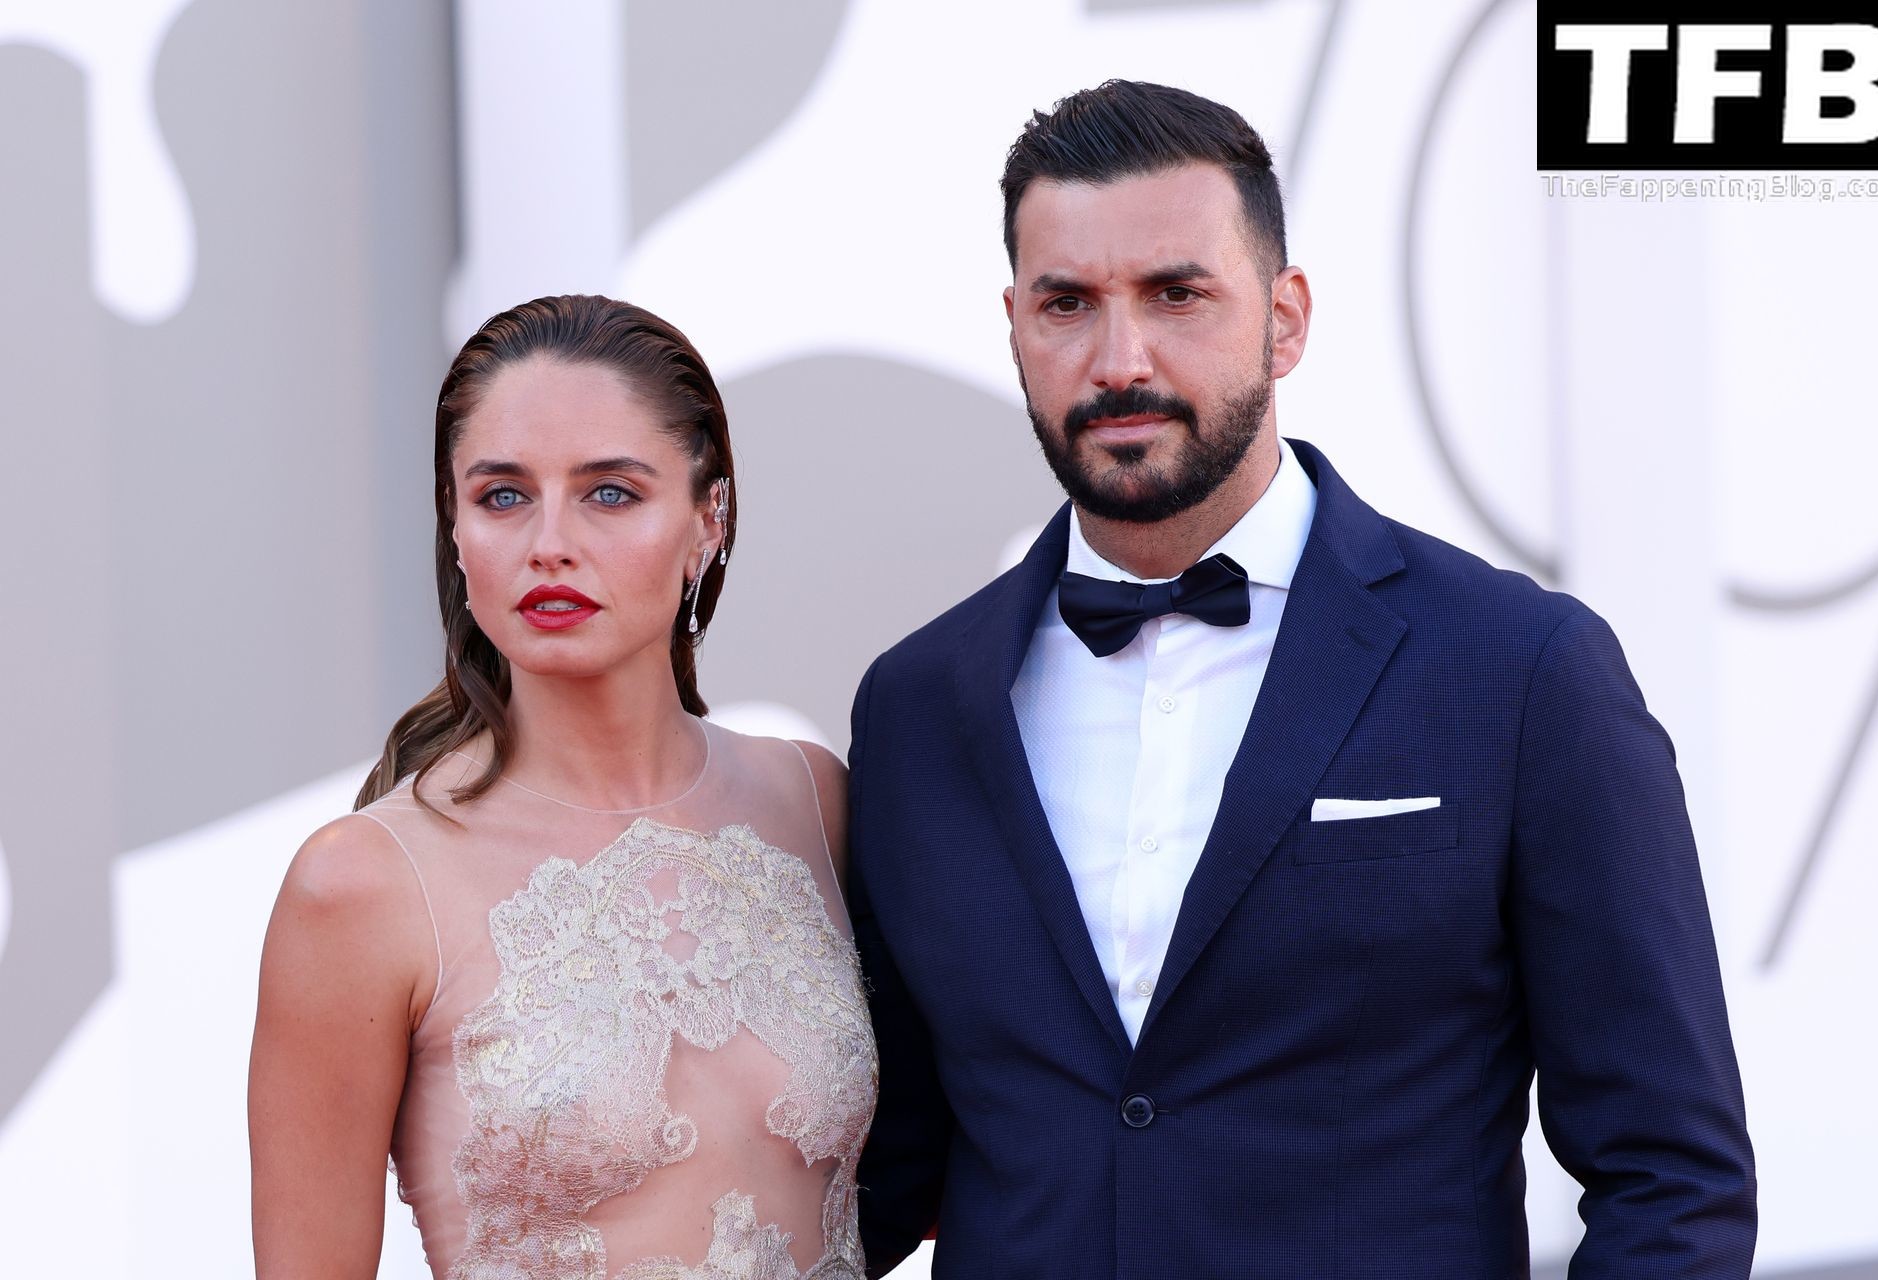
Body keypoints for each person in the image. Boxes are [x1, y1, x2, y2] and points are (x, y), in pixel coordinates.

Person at [848, 81, 1757, 1277]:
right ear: (1015, 325)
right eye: (1068, 304)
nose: (1120, 359)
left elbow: (1673, 1177)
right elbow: (885, 1162)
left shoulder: (1523, 669)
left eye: (1177, 294)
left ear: (1285, 320)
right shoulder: (916, 706)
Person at [249, 295, 875, 1279]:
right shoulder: (362, 884)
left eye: (610, 493)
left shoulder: (812, 799)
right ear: (455, 526)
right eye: (502, 496)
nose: (549, 542)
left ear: (708, 516)